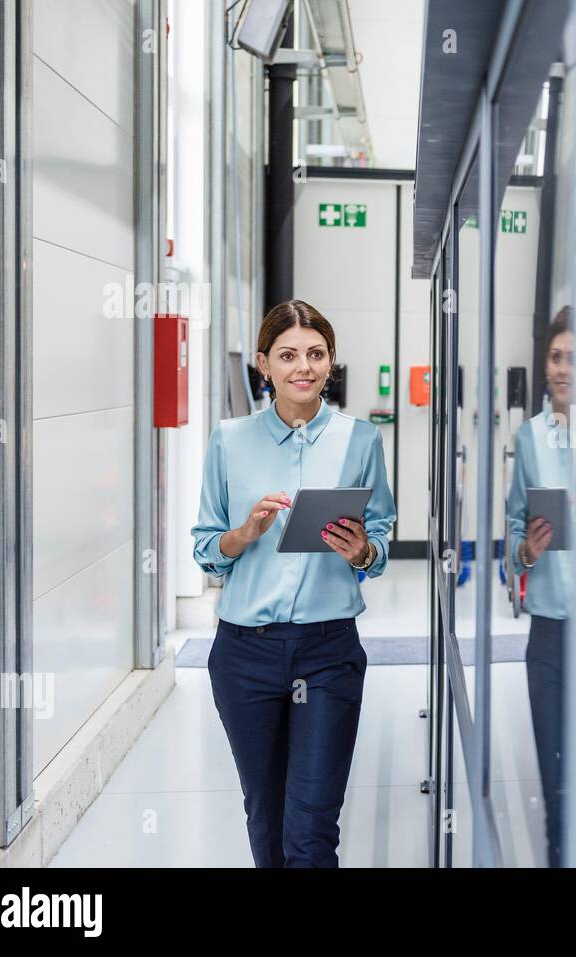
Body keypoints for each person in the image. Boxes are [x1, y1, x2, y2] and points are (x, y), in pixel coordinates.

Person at [190, 299, 397, 867]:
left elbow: (378, 536)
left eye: (316, 354)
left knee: (311, 826)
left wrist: (365, 550)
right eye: (288, 355)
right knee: (267, 817)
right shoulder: (229, 441)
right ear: (264, 364)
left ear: (331, 363)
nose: (303, 366)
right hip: (244, 655)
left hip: (327, 652)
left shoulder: (361, 440)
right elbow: (208, 551)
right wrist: (246, 531)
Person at [505, 306, 575, 868]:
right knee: (556, 778)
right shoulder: (531, 438)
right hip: (550, 631)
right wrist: (525, 551)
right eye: (555, 356)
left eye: (574, 358)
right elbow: (511, 527)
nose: (562, 368)